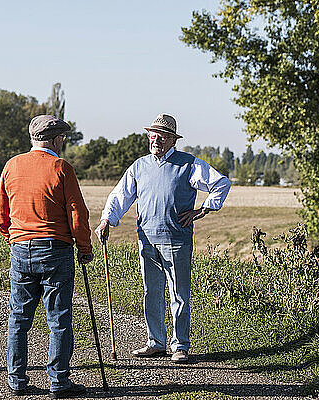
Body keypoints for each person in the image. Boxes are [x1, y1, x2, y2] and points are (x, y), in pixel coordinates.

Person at [95, 113, 231, 363]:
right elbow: (120, 196)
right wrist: (107, 220)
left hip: (176, 239)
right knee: (151, 291)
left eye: (162, 136)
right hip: (146, 238)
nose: (155, 139)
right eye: (152, 135)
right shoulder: (140, 166)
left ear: (172, 140)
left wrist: (203, 209)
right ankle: (155, 342)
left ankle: (180, 346)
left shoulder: (188, 163)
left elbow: (221, 183)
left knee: (179, 293)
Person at [0, 115, 93, 398]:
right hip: (55, 250)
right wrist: (84, 249)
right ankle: (59, 382)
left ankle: (16, 380)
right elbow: (78, 214)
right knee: (59, 318)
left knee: (19, 318)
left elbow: (1, 213)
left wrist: (12, 239)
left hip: (21, 248)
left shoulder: (12, 166)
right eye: (62, 138)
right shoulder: (62, 168)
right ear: (55, 139)